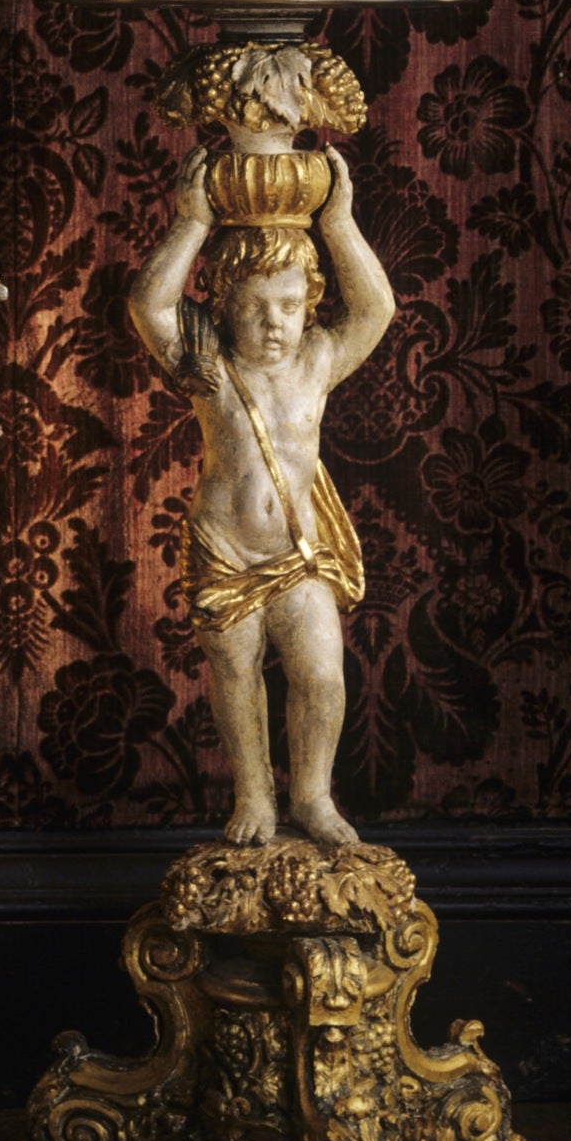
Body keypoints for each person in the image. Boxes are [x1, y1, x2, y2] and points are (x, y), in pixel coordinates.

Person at [128, 145, 393, 846]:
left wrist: (338, 224)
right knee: (238, 674)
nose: (276, 323)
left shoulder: (316, 360)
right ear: (221, 304)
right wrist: (190, 222)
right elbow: (147, 302)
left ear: (310, 305)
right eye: (256, 307)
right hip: (226, 548)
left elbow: (376, 307)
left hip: (300, 553)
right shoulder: (206, 360)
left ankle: (311, 795)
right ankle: (254, 797)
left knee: (322, 678)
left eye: (291, 305)